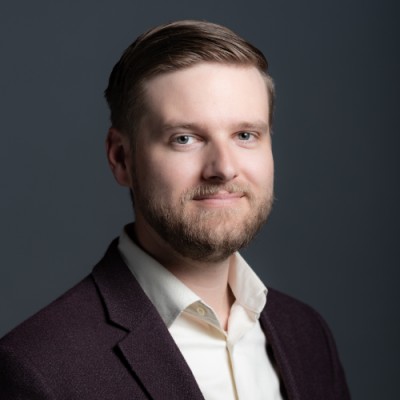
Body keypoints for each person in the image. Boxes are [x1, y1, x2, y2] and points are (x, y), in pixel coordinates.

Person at [0, 20, 350, 399]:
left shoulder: (306, 334)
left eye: (245, 135)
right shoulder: (38, 369)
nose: (223, 168)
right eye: (184, 138)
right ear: (121, 158)